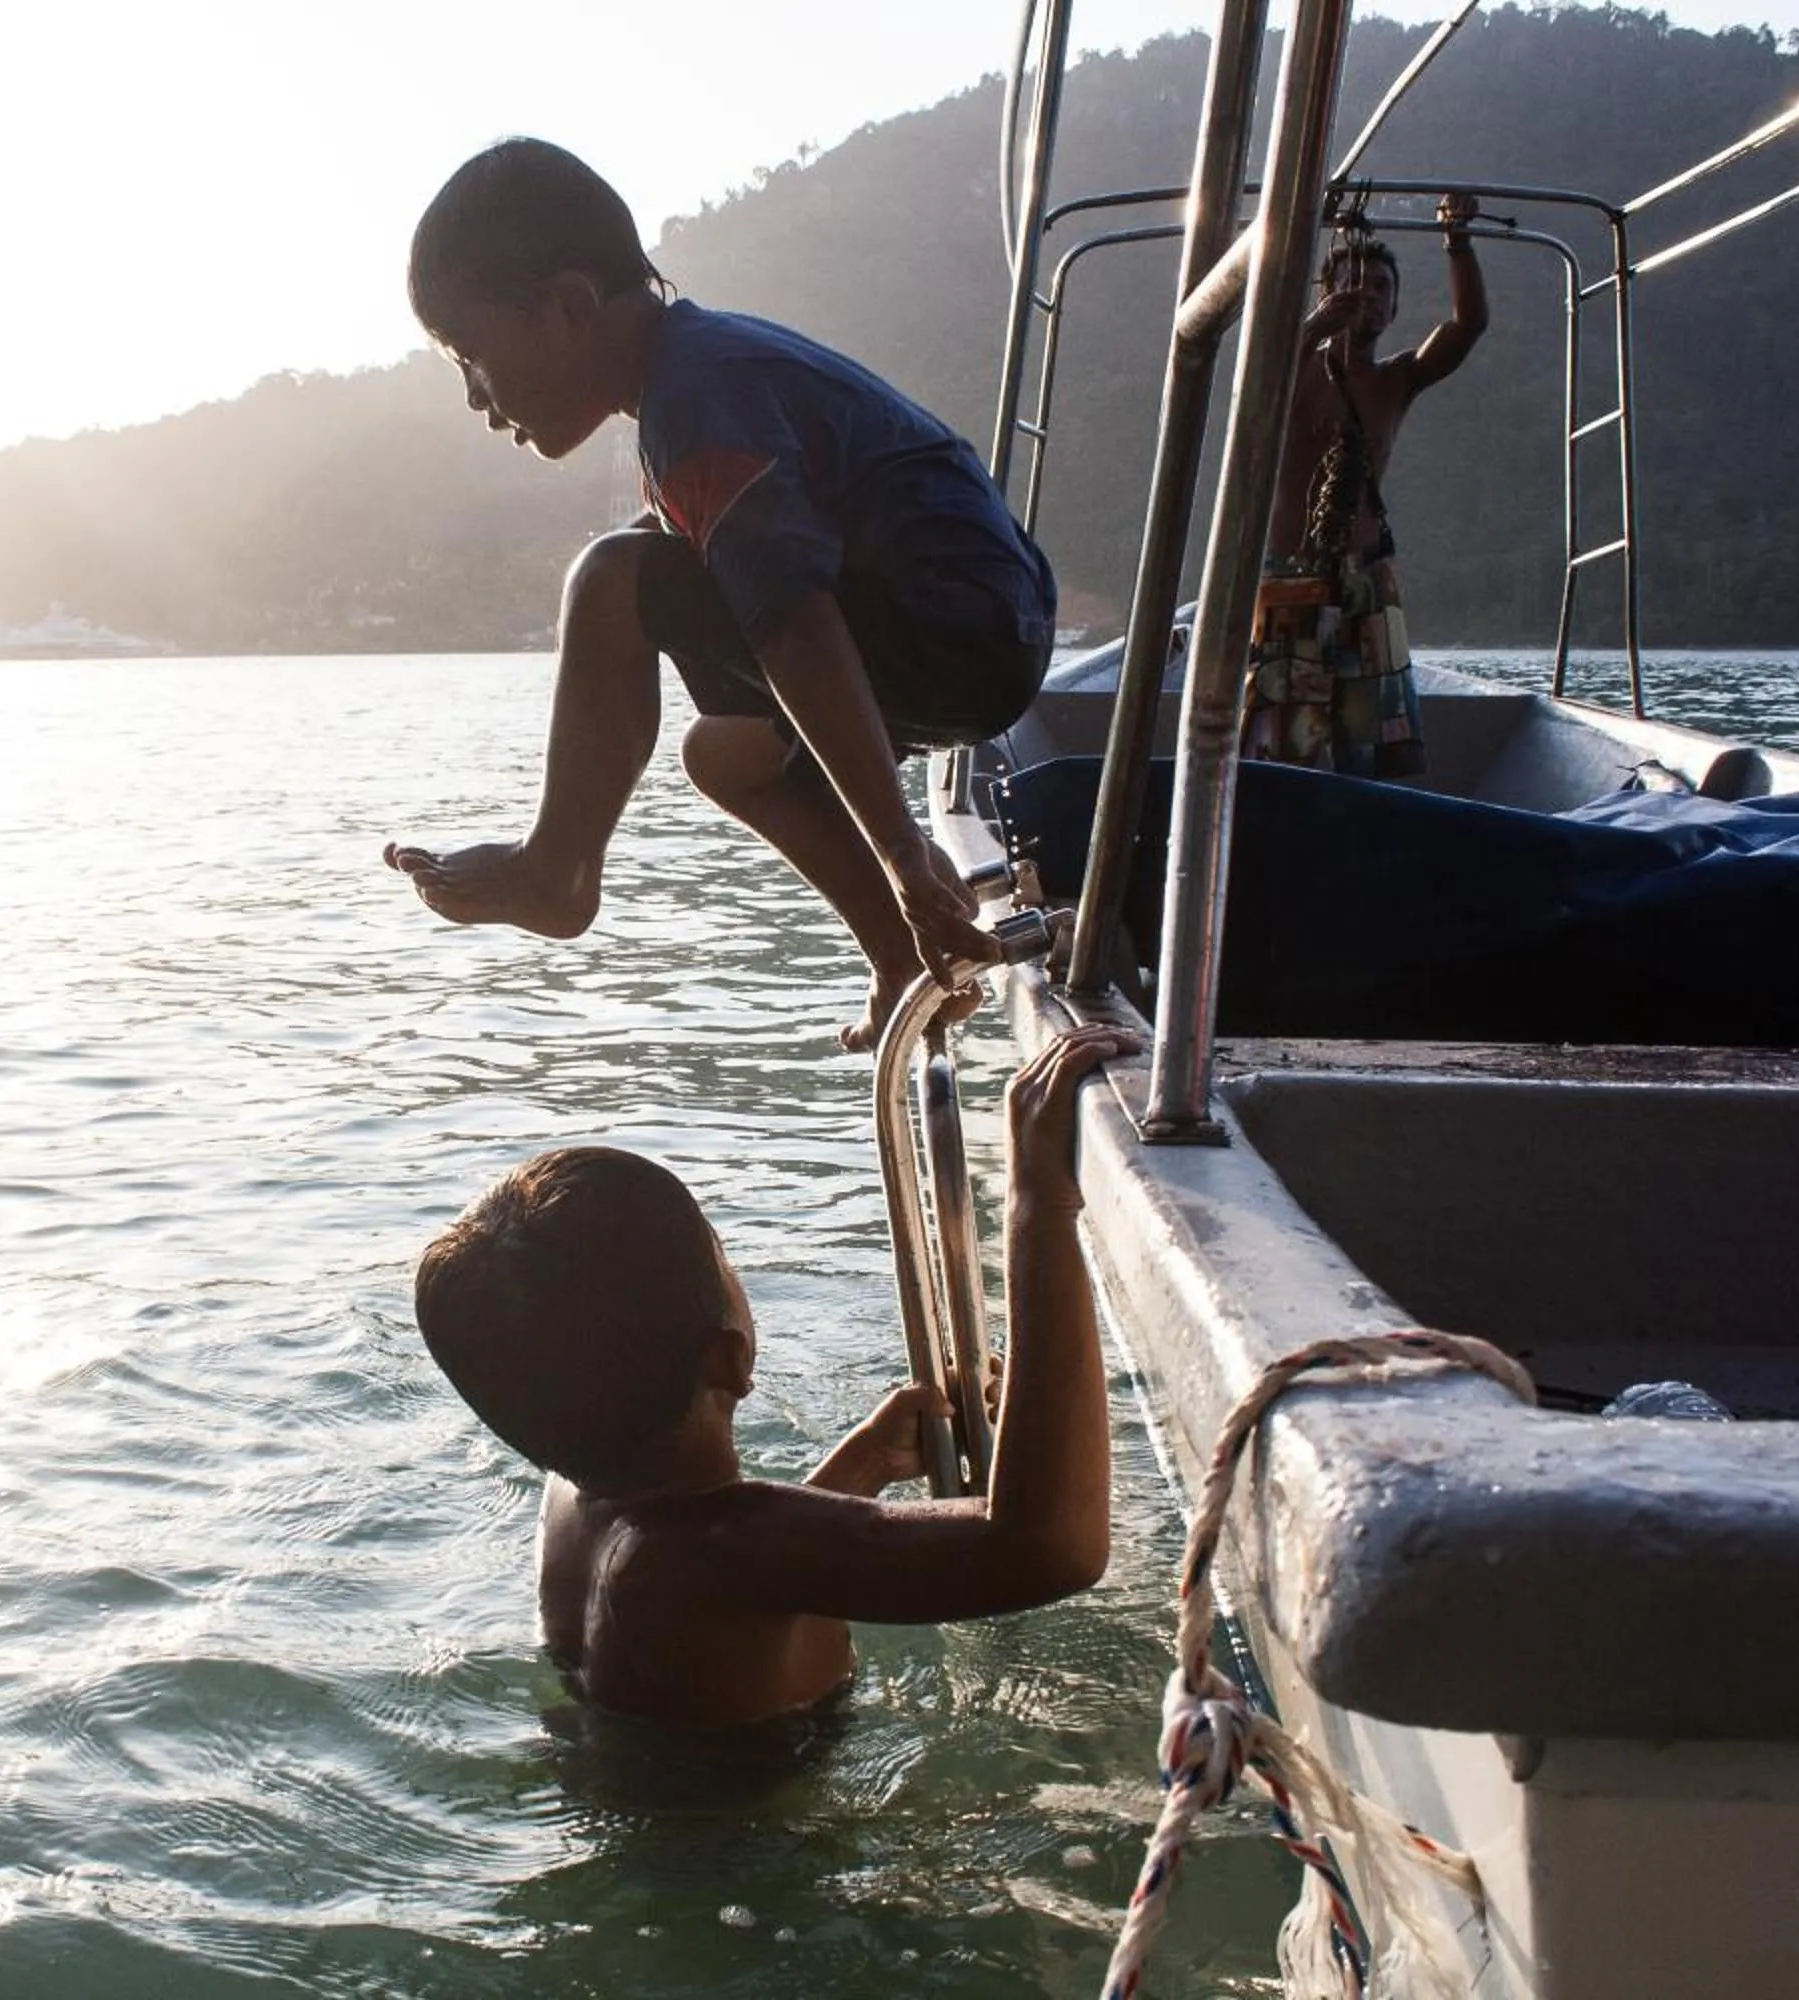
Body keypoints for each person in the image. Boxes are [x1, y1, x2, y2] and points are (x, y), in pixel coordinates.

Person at [381, 138, 1057, 1052]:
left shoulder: (697, 396)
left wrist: (901, 847)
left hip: (954, 625)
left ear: (570, 309)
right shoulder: (693, 381)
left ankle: (557, 867)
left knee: (613, 575)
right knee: (724, 756)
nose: (474, 397)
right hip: (980, 632)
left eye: (472, 357)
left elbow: (796, 626)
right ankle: (896, 954)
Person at [411, 1024, 1131, 1729]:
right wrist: (1039, 1204)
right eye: (725, 1262)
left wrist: (867, 1462)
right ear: (729, 1359)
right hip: (758, 1842)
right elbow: (1047, 1549)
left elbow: (740, 1568)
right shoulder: (730, 1549)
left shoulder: (577, 1496)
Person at [1241, 193, 1488, 782]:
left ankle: (1364, 837)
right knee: (1279, 742)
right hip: (1291, 575)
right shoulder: (1291, 368)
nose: (1368, 295)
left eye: (1381, 287)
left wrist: (1456, 238)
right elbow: (1259, 367)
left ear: (1395, 305)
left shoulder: (1396, 379)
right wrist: (1316, 324)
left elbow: (1467, 325)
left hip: (1368, 577)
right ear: (1327, 293)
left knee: (1375, 745)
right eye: (1353, 283)